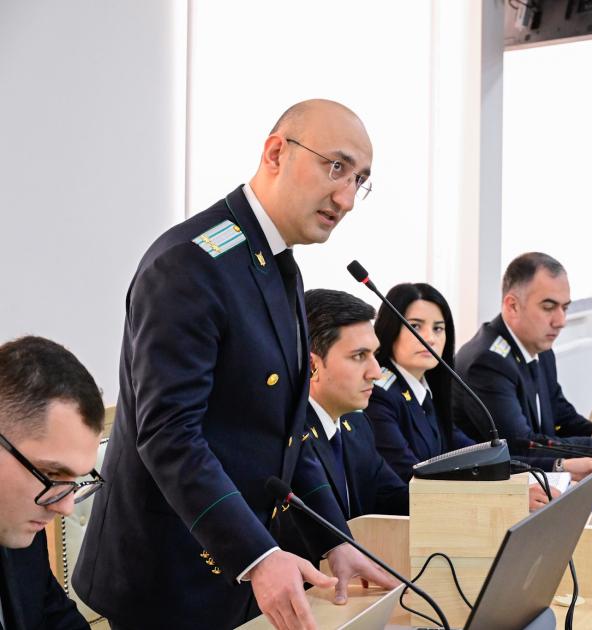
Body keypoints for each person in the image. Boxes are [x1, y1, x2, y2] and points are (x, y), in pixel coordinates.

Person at [74, 100, 396, 630]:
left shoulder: (278, 265)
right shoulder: (190, 264)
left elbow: (286, 437)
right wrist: (256, 555)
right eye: (335, 167)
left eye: (359, 180)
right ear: (275, 153)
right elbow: (168, 433)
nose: (346, 198)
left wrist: (333, 539)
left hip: (240, 567)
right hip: (170, 578)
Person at [365, 282, 557, 510]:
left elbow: (473, 455)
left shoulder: (429, 389)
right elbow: (411, 477)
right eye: (415, 326)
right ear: (391, 329)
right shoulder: (379, 395)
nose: (430, 338)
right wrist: (504, 497)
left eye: (438, 328)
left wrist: (555, 466)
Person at [453, 253, 592, 479]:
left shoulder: (539, 349)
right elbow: (519, 444)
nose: (560, 321)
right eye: (549, 307)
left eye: (565, 308)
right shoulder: (487, 362)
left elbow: (562, 416)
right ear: (512, 306)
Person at [0, 336, 105, 630]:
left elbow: (55, 617)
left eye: (74, 482)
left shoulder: (18, 529)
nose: (66, 507)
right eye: (51, 475)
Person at [298, 289, 409, 519]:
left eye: (374, 355)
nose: (376, 372)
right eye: (359, 356)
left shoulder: (356, 425)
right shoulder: (288, 437)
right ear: (312, 366)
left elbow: (395, 500)